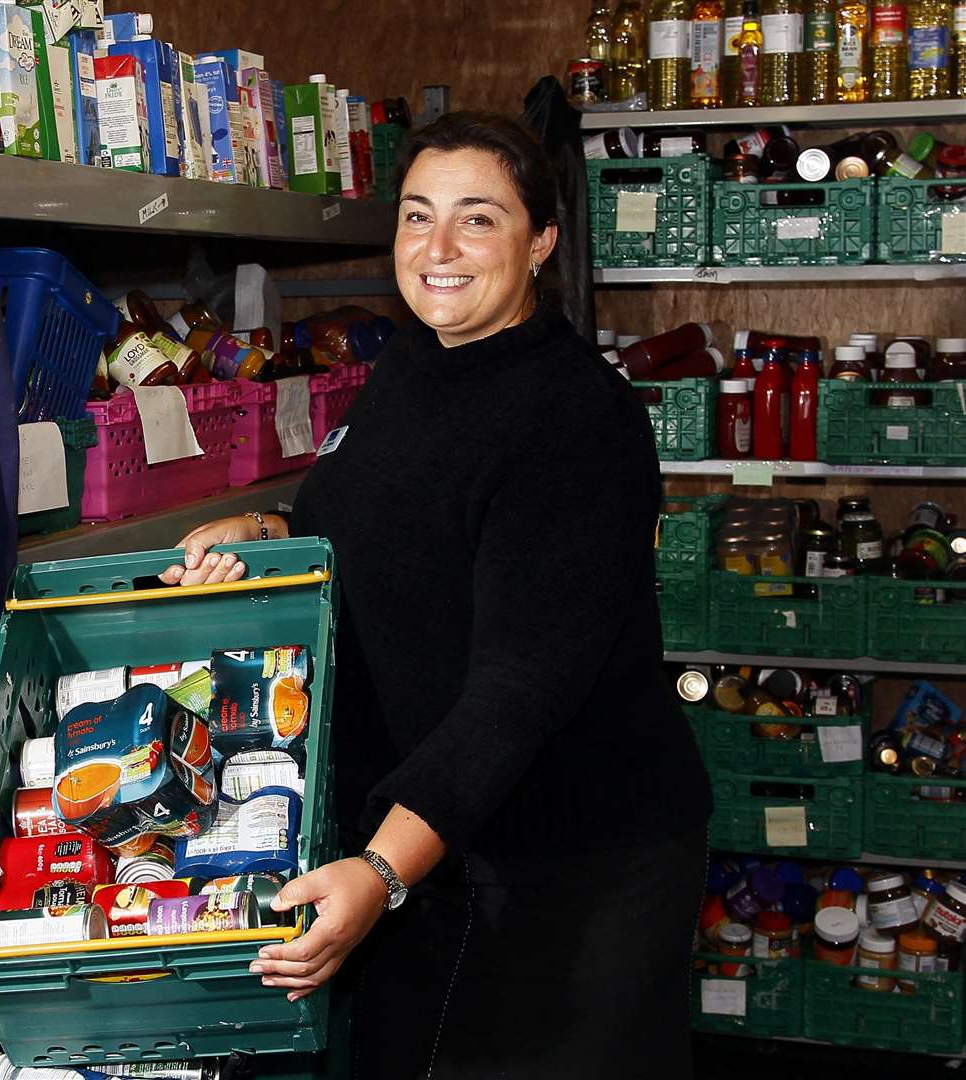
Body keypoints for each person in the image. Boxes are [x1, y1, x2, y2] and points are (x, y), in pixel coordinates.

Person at [161, 111, 712, 1078]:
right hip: (434, 840)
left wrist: (380, 870)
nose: (438, 249)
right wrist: (265, 535)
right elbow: (384, 540)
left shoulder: (573, 420)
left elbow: (522, 685)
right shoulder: (414, 366)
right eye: (417, 217)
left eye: (478, 219)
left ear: (540, 243)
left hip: (559, 867)